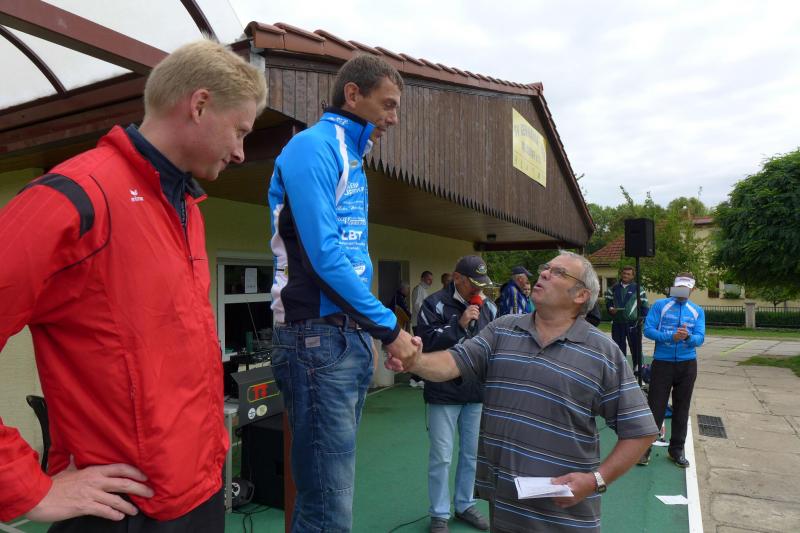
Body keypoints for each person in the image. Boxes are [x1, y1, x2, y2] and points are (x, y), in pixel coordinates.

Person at [0, 40, 267, 531]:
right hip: (122, 510)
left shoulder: (187, 209)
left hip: (200, 494)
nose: (240, 152)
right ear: (200, 105)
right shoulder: (74, 196)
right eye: (240, 130)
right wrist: (26, 487)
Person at [388, 251, 657, 532]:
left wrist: (595, 480)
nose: (544, 273)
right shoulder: (502, 330)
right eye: (546, 268)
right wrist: (413, 360)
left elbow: (640, 431)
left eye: (558, 272)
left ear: (581, 295)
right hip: (505, 509)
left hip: (565, 516)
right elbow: (452, 362)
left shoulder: (602, 352)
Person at [268, 54, 416, 532]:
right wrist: (389, 328)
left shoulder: (352, 155)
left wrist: (372, 329)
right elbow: (323, 256)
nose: (394, 118)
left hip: (342, 337)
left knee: (326, 500)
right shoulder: (312, 146)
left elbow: (349, 260)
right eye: (388, 104)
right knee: (329, 507)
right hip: (315, 338)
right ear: (353, 94)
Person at [416, 256, 496, 533]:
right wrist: (459, 325)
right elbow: (425, 343)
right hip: (443, 392)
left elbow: (495, 345)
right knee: (442, 456)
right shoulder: (433, 303)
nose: (479, 290)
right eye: (474, 284)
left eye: (482, 284)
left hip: (476, 392)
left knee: (472, 454)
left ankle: (465, 505)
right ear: (457, 278)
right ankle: (439, 513)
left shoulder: (489, 307)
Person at [639, 273, 705, 468]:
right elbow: (648, 330)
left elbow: (700, 338)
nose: (682, 291)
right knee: (655, 408)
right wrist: (670, 337)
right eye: (679, 287)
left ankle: (676, 450)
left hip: (687, 365)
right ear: (674, 287)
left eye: (686, 288)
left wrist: (687, 337)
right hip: (663, 363)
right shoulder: (660, 305)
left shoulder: (697, 310)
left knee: (682, 408)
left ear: (692, 289)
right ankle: (644, 449)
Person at [605, 266, 649, 373]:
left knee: (636, 348)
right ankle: (621, 372)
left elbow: (644, 305)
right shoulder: (613, 288)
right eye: (624, 273)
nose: (625, 275)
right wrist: (610, 309)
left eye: (628, 274)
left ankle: (638, 371)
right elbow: (608, 303)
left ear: (633, 276)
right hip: (618, 323)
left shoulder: (639, 289)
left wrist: (642, 319)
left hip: (633, 324)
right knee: (618, 349)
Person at [410, 271, 434, 389]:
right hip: (419, 324)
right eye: (428, 279)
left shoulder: (423, 290)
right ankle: (417, 378)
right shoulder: (418, 289)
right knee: (420, 351)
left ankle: (416, 378)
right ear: (422, 278)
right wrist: (429, 315)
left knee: (421, 350)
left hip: (422, 324)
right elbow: (418, 305)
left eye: (431, 279)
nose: (430, 281)